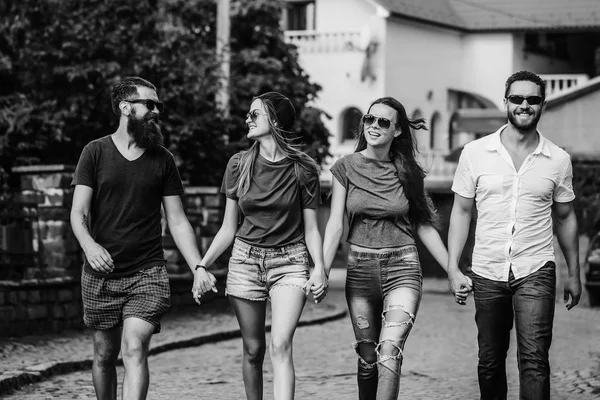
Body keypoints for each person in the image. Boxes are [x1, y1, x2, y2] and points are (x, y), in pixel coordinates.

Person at [70, 76, 216, 400]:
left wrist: (198, 267)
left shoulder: (163, 159)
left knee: (134, 347)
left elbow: (177, 221)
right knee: (104, 355)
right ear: (125, 107)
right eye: (149, 104)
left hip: (147, 273)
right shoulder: (94, 152)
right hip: (101, 275)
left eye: (158, 106)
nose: (156, 111)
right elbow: (78, 213)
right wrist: (89, 245)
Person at [320, 96, 471, 400]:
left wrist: (453, 271)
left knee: (389, 350)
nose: (373, 126)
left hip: (403, 266)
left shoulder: (408, 172)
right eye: (369, 119)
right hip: (360, 271)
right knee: (367, 359)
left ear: (397, 131)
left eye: (383, 122)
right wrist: (321, 270)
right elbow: (335, 223)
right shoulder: (345, 167)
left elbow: (425, 226)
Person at [447, 70, 581, 400]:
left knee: (535, 362)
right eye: (517, 98)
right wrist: (452, 268)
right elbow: (462, 212)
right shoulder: (474, 153)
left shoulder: (558, 160)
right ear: (506, 101)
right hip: (487, 270)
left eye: (532, 99)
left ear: (542, 105)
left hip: (535, 268)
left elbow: (565, 218)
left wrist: (574, 273)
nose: (524, 105)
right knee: (490, 362)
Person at [193, 92, 327, 400]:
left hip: (290, 263)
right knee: (254, 349)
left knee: (281, 343)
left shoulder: (303, 170)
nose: (247, 119)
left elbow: (311, 229)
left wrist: (318, 267)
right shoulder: (239, 164)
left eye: (255, 114)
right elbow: (228, 228)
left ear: (275, 121)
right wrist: (203, 264)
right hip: (245, 262)